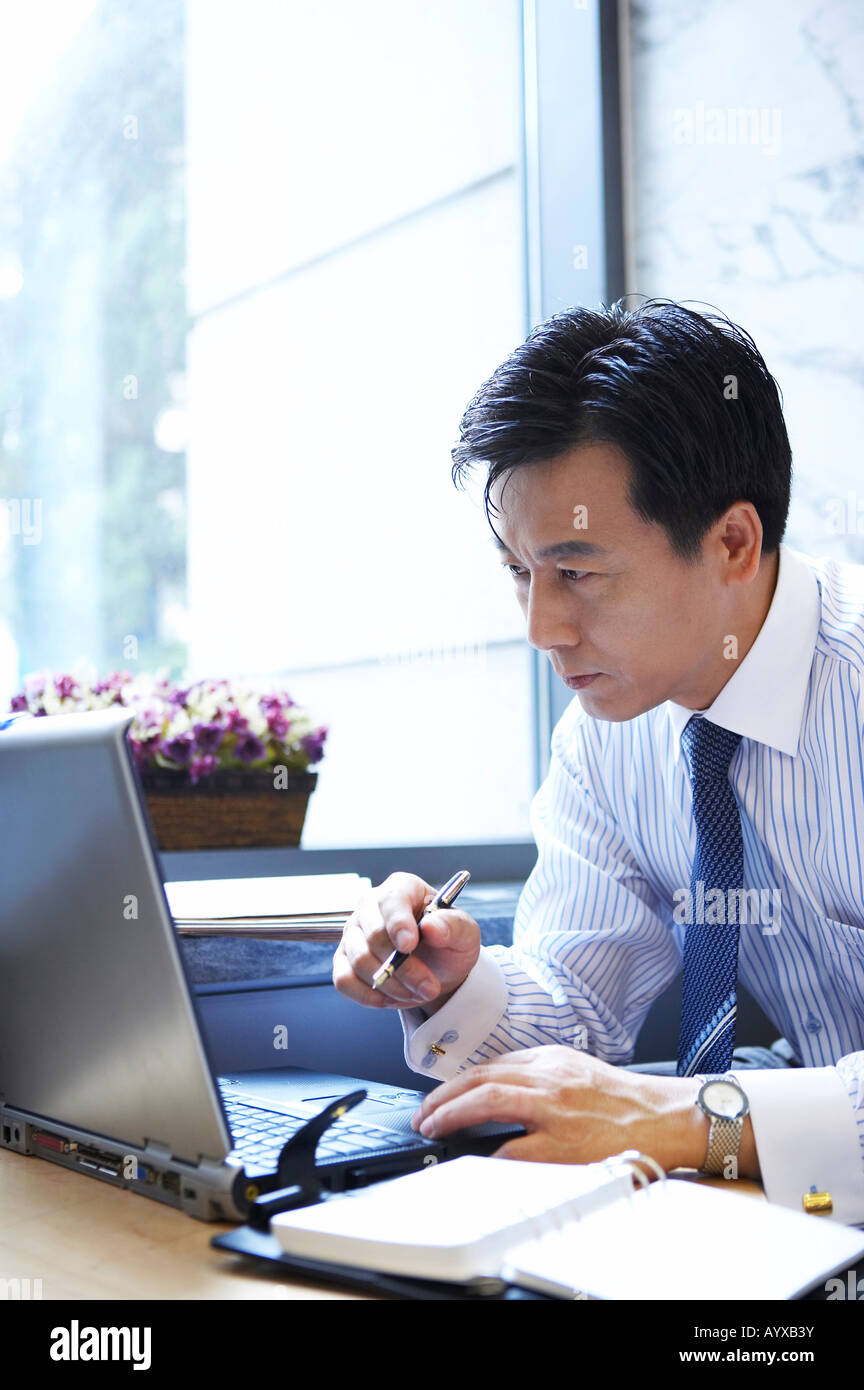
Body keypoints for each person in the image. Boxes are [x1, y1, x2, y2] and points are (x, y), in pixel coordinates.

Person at [333, 299, 864, 1220]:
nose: (541, 628)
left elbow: (658, 1110)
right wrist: (456, 980)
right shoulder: (608, 728)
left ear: (733, 542)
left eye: (577, 572)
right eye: (518, 572)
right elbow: (581, 997)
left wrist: (691, 1117)